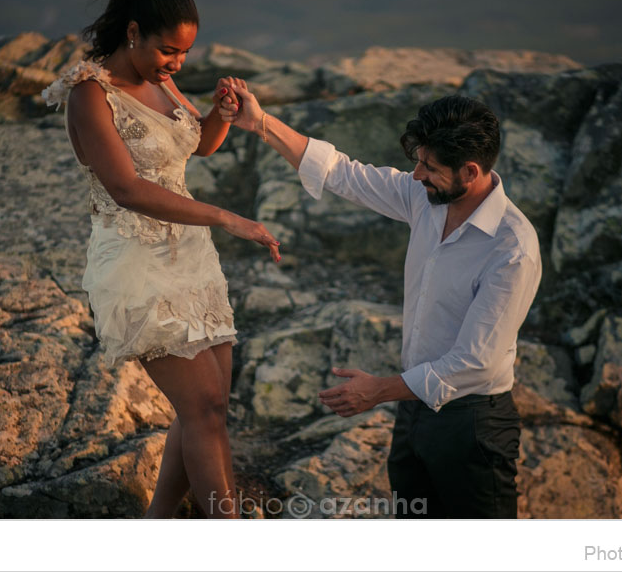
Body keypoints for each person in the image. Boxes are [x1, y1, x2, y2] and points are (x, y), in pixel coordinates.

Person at [218, 80, 541, 518]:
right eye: (418, 161)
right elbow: (342, 173)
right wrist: (260, 124)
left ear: (469, 171)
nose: (416, 174)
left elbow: (473, 362)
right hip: (413, 410)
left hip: (474, 427)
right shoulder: (425, 198)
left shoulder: (512, 248)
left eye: (429, 166)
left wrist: (378, 391)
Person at [42, 0, 281, 519]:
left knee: (208, 406)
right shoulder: (90, 94)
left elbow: (195, 145)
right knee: (202, 408)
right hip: (135, 259)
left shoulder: (162, 80)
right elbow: (126, 188)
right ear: (133, 33)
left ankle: (158, 527)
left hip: (191, 257)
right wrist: (226, 216)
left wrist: (219, 113)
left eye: (185, 54)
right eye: (168, 51)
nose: (176, 63)